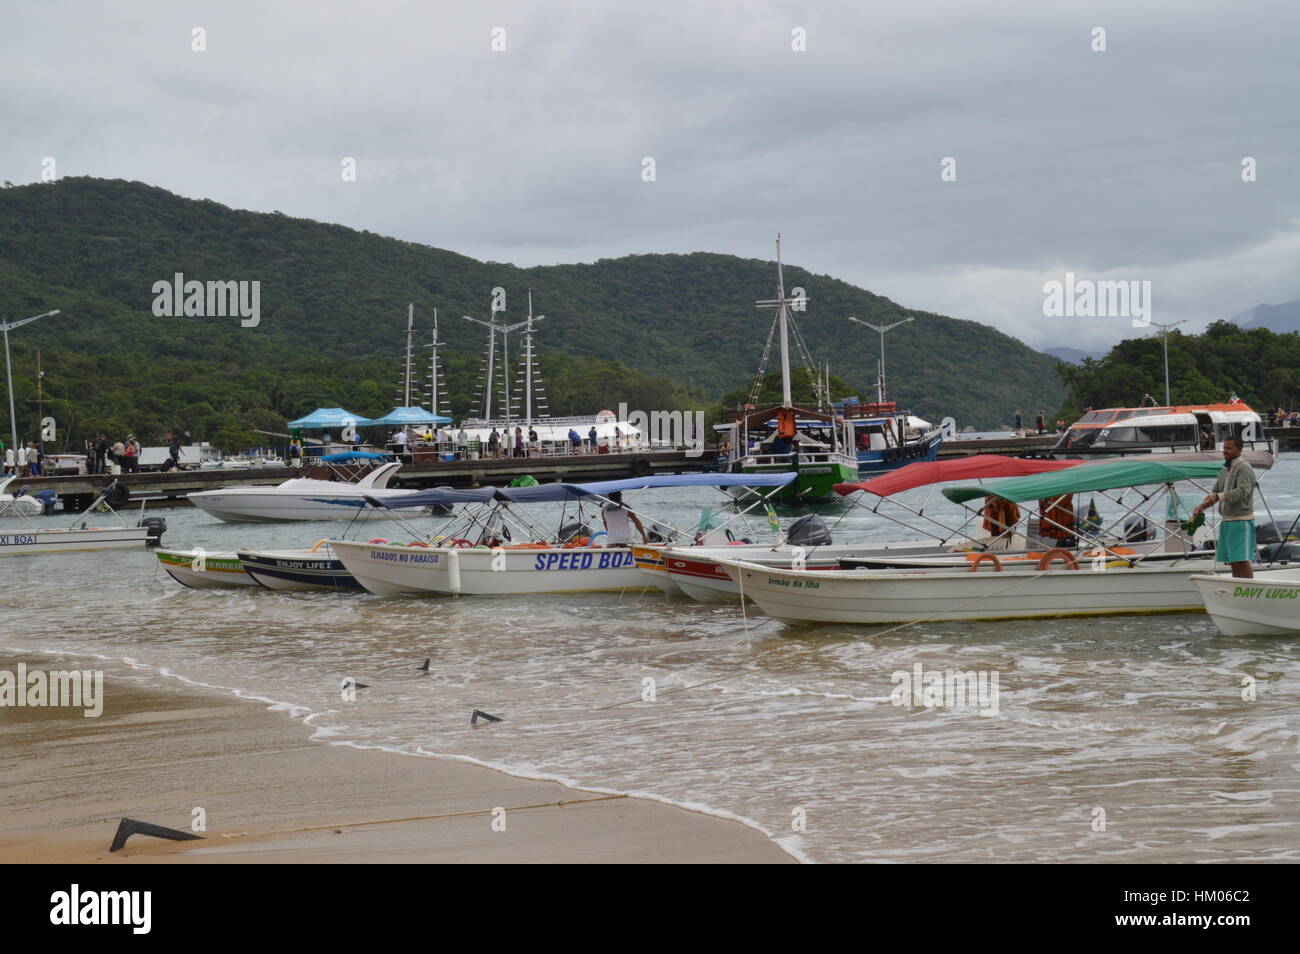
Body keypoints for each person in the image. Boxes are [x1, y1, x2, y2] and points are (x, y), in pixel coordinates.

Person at [1192, 438, 1257, 579]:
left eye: (1229, 448)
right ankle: (1237, 589)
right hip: (1227, 521)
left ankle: (1246, 590)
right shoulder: (1224, 470)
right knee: (1233, 560)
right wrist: (1201, 507)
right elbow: (1215, 494)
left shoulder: (1244, 468)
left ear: (1239, 450)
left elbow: (1243, 491)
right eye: (1224, 448)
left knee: (1242, 560)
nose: (1225, 451)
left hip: (1241, 521)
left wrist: (1218, 496)